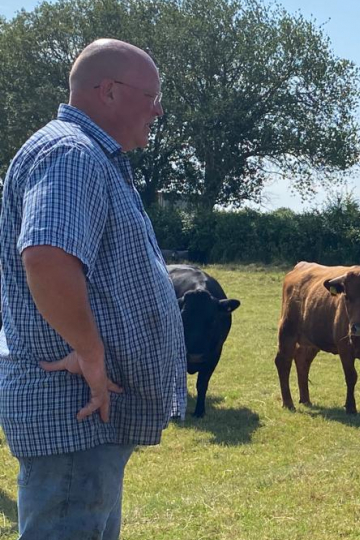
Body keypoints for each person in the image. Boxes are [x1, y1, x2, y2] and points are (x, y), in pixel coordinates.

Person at [0, 39, 187, 539]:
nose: (158, 109)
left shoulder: (88, 155)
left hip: (85, 416)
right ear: (109, 91)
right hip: (73, 411)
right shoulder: (71, 152)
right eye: (152, 95)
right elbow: (47, 256)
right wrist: (90, 353)